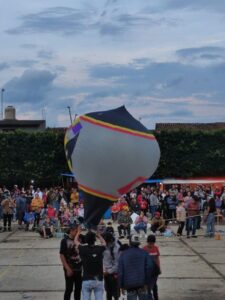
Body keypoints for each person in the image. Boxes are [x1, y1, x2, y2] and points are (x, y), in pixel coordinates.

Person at [118, 234, 155, 300]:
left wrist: (121, 285)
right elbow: (150, 267)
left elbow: (120, 272)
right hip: (142, 284)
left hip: (129, 285)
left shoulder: (124, 254)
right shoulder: (144, 253)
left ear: (130, 242)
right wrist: (147, 282)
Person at [75, 229, 106, 300]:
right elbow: (104, 243)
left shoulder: (83, 249)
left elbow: (75, 241)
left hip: (86, 279)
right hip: (98, 279)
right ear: (94, 240)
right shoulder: (99, 248)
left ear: (86, 240)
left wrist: (78, 232)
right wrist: (98, 235)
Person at [60, 222, 82, 300]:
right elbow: (62, 255)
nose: (77, 233)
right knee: (69, 289)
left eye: (78, 231)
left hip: (79, 269)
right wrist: (67, 268)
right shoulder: (64, 241)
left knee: (78, 289)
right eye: (76, 231)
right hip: (69, 268)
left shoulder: (80, 238)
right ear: (71, 231)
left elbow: (91, 238)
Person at [103, 232, 121, 300]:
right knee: (108, 293)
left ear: (110, 241)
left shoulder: (117, 248)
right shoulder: (105, 246)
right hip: (106, 274)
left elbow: (117, 264)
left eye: (106, 242)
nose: (105, 243)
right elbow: (103, 259)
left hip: (114, 274)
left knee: (116, 294)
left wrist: (109, 271)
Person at [143, 235, 161, 300]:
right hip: (147, 272)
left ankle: (156, 297)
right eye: (150, 243)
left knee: (154, 286)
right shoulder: (144, 249)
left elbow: (157, 258)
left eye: (153, 243)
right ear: (147, 242)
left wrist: (159, 268)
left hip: (154, 272)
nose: (151, 245)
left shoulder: (156, 248)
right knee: (148, 287)